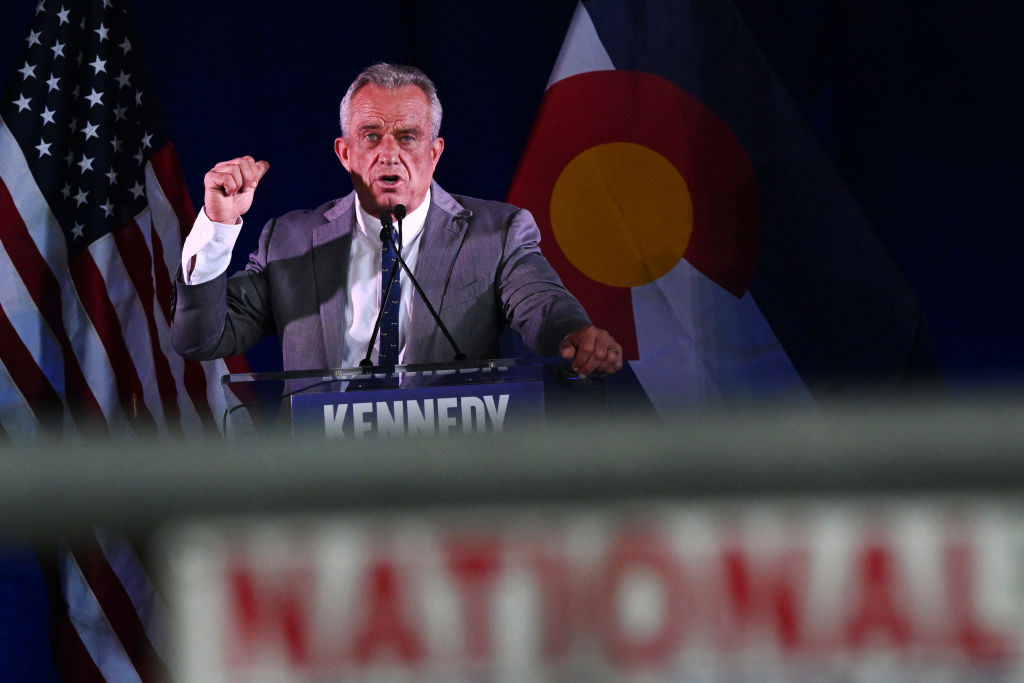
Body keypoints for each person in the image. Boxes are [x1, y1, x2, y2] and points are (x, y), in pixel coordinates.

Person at [170, 63, 622, 376]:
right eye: (371, 136)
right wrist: (217, 227)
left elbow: (541, 304)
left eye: (408, 137)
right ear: (345, 153)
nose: (390, 153)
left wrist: (575, 334)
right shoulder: (289, 239)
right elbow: (202, 339)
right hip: (325, 485)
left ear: (434, 152)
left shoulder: (496, 234)